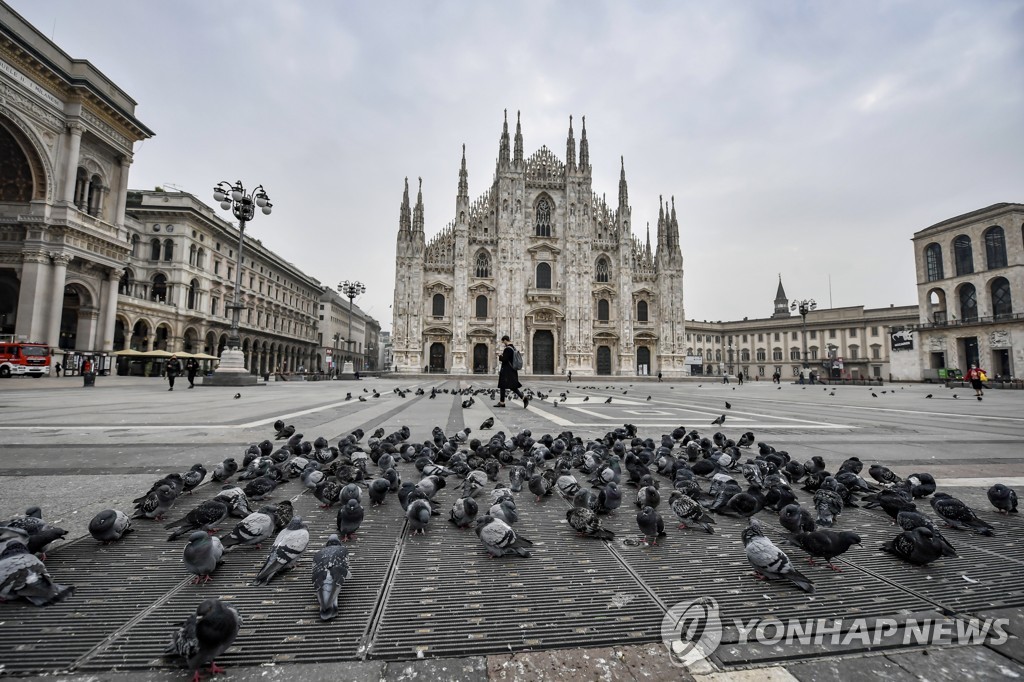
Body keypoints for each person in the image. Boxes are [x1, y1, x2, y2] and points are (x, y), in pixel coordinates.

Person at [495, 335, 528, 409]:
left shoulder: (507, 349)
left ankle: (502, 402)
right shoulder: (513, 348)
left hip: (507, 371)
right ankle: (523, 398)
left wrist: (500, 356)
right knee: (513, 387)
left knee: (502, 385)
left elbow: (505, 359)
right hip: (512, 370)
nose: (503, 343)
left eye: (503, 341)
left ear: (505, 340)